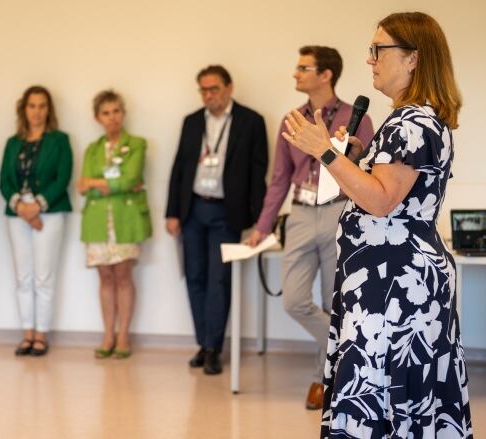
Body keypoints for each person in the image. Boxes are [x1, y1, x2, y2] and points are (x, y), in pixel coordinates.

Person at [282, 12, 472, 438]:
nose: (370, 60)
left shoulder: (414, 123)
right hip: (386, 282)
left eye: (378, 50)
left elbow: (381, 201)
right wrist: (355, 158)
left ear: (412, 59)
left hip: (395, 289)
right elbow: (382, 190)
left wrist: (324, 153)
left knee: (385, 400)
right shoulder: (409, 119)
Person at [247, 46, 374, 410]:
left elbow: (369, 174)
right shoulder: (291, 120)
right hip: (301, 214)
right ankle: (347, 352)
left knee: (334, 300)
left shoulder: (357, 116)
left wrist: (355, 154)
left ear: (326, 74)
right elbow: (280, 178)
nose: (295, 74)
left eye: (303, 68)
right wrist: (263, 225)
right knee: (294, 300)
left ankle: (325, 379)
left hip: (340, 212)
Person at [166, 65, 268, 375]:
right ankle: (203, 342)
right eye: (204, 90)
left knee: (219, 281)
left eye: (214, 89)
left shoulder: (251, 121)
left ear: (229, 88)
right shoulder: (192, 121)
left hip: (227, 212)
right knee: (194, 277)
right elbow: (179, 168)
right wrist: (172, 212)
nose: (209, 95)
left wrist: (257, 219)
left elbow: (258, 172)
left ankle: (214, 347)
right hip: (193, 209)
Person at [0, 86, 72, 357]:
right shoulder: (13, 142)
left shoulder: (60, 140)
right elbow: (4, 181)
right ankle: (26, 333)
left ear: (49, 110)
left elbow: (62, 178)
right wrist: (22, 207)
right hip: (18, 215)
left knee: (43, 276)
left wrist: (37, 207)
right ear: (24, 109)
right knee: (23, 277)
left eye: (42, 106)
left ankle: (41, 334)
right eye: (32, 106)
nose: (37, 112)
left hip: (50, 214)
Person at [78, 90, 151, 359]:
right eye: (106, 113)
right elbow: (82, 186)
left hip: (125, 219)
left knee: (123, 275)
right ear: (97, 118)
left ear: (124, 113)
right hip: (97, 220)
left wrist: (98, 183)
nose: (112, 118)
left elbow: (129, 179)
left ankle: (124, 336)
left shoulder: (137, 144)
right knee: (104, 277)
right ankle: (108, 333)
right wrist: (103, 184)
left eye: (116, 111)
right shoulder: (93, 149)